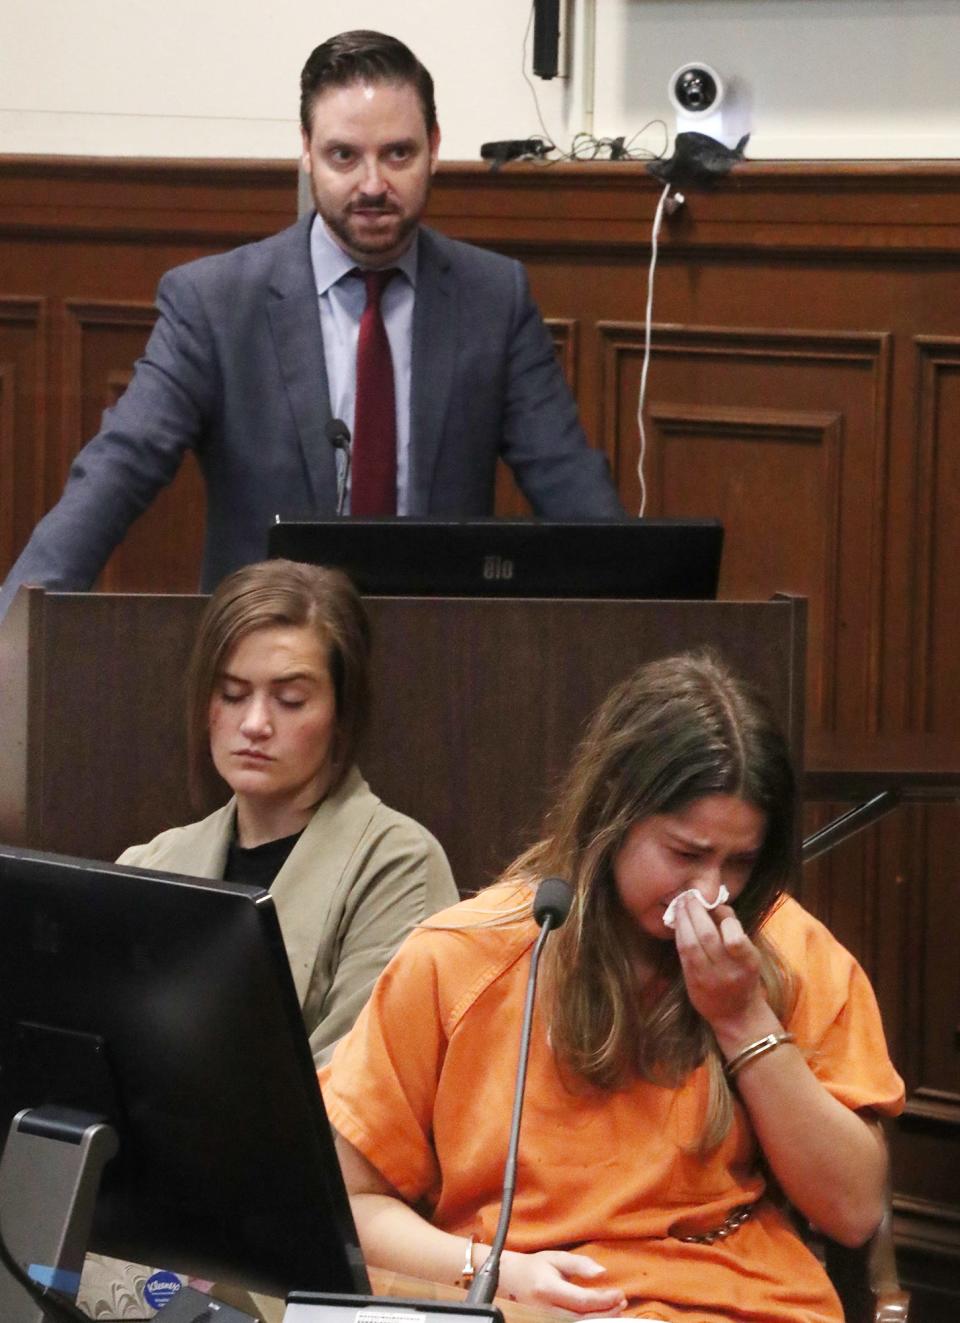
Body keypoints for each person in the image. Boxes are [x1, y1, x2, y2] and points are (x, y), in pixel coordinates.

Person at [321, 651, 905, 1323]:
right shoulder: (465, 956)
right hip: (524, 1298)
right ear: (611, 816)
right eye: (685, 854)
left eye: (739, 861)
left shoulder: (788, 948)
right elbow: (347, 1203)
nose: (712, 891)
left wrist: (744, 1019)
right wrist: (497, 1270)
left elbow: (855, 1210)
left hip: (740, 1301)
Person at [0, 29, 625, 623]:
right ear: (306, 152)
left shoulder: (494, 298)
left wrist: (651, 624)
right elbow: (117, 471)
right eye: (343, 156)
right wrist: (12, 635)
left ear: (435, 145)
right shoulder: (215, 304)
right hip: (265, 675)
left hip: (444, 661)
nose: (373, 184)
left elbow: (571, 489)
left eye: (398, 154)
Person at [117, 557, 458, 1065]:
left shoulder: (397, 861)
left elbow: (361, 1090)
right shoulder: (151, 864)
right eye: (231, 694)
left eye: (291, 700)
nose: (254, 723)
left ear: (341, 713)